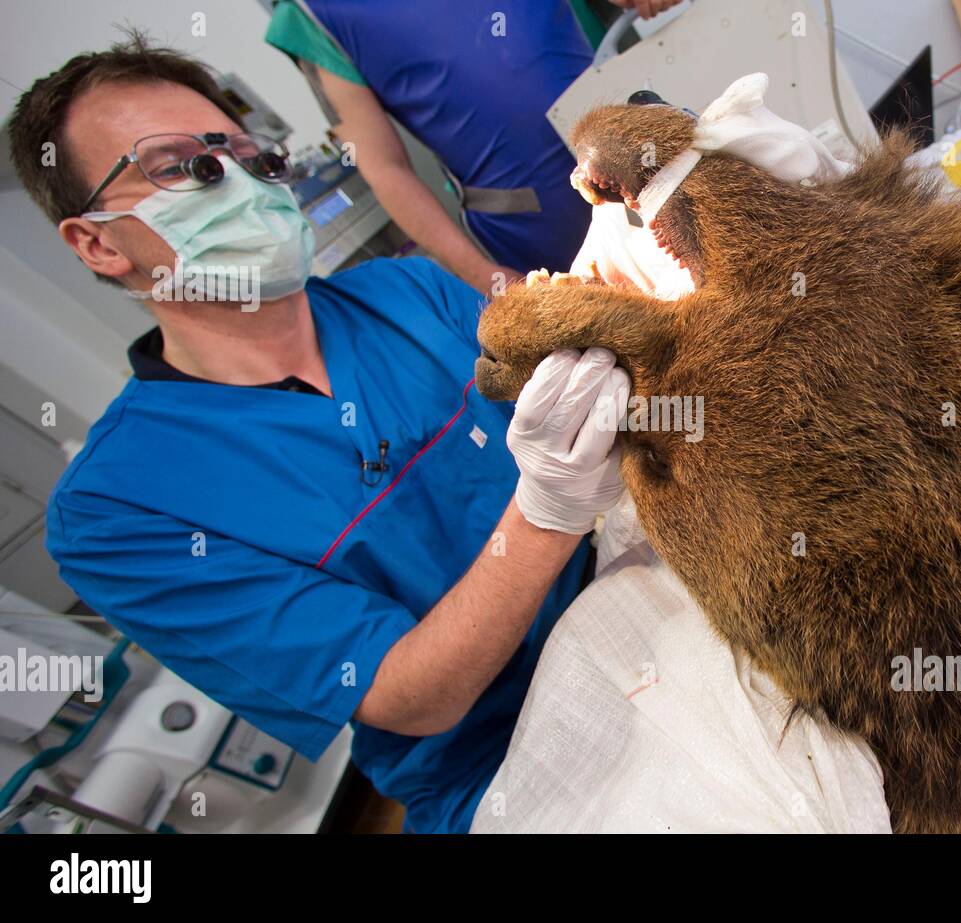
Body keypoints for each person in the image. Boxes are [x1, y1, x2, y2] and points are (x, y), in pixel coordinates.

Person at [8, 35, 628, 833]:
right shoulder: (118, 510)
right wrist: (549, 506)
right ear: (97, 241)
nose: (233, 181)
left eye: (244, 156)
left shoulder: (405, 291)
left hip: (632, 599)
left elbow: (601, 405)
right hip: (511, 756)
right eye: (179, 167)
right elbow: (415, 693)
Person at [263, 0, 684, 293]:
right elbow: (385, 168)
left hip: (644, 156)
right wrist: (484, 276)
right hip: (532, 232)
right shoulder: (311, 16)